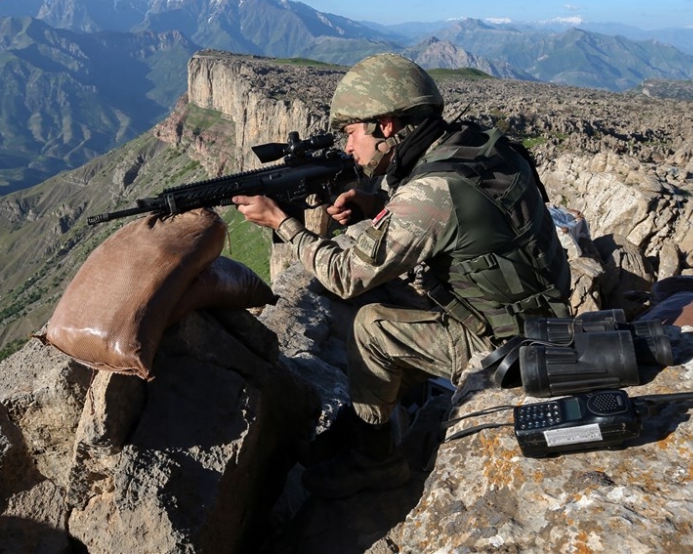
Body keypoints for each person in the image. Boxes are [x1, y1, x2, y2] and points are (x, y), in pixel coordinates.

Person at [233, 53, 571, 499]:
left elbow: (343, 276)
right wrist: (377, 210)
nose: (349, 147)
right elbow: (461, 226)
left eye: (353, 132)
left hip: (510, 346)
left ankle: (374, 462)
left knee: (372, 325)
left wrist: (282, 223)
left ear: (387, 125)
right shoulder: (474, 146)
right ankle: (367, 414)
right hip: (533, 308)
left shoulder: (433, 192)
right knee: (391, 288)